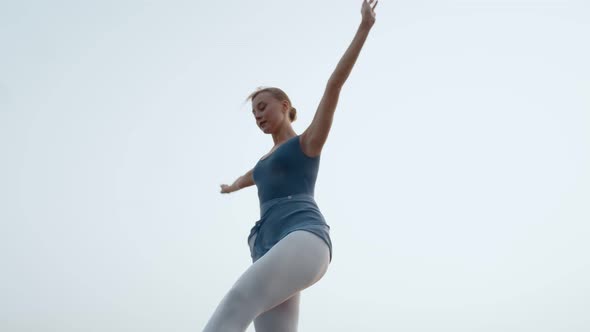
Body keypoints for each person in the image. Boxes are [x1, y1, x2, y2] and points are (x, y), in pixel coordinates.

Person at [203, 1, 377, 331]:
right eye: (254, 113)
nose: (258, 115)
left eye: (263, 107)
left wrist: (364, 28)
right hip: (267, 244)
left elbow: (333, 85)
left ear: (284, 106)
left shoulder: (306, 143)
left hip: (304, 238)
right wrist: (230, 187)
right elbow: (247, 178)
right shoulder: (262, 163)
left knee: (238, 300)